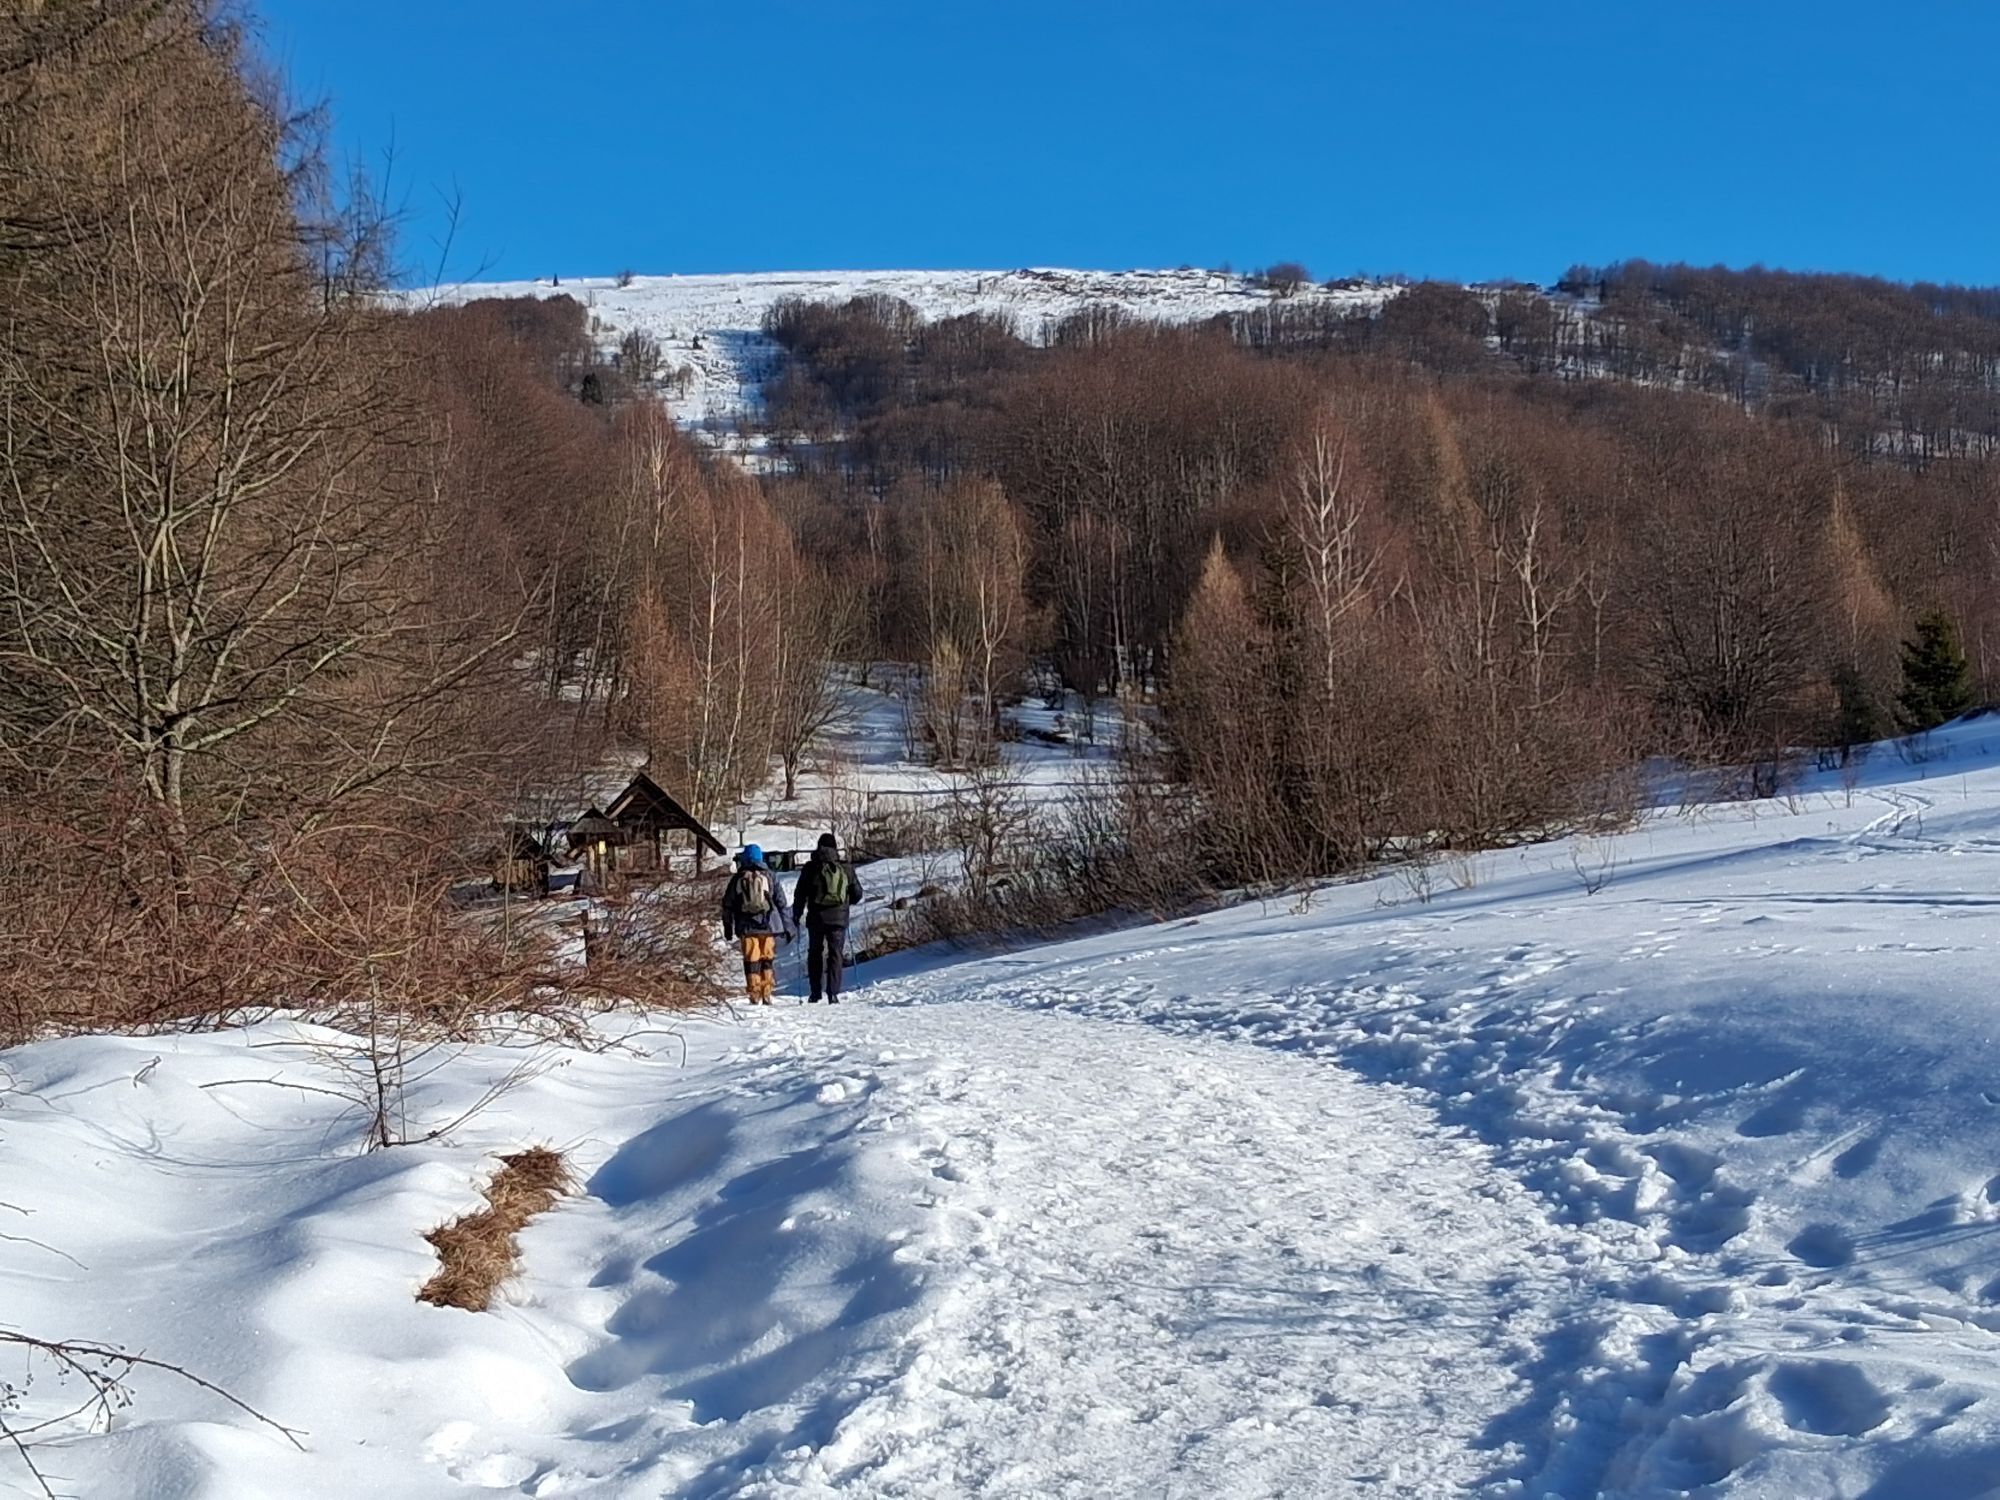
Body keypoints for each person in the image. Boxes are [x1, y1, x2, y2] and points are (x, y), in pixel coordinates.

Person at [792, 831, 863, 1003]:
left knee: (815, 953)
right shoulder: (845, 868)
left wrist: (796, 914)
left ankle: (815, 992)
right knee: (835, 954)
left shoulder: (810, 868)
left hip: (816, 918)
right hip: (838, 918)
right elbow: (857, 894)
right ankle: (833, 993)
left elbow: (800, 894)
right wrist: (847, 901)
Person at [720, 844, 794, 1005]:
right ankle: (767, 992)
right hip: (768, 926)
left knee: (752, 960)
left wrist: (728, 927)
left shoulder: (738, 878)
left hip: (747, 927)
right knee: (767, 959)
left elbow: (728, 905)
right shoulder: (770, 876)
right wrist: (788, 926)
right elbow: (781, 903)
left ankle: (754, 994)